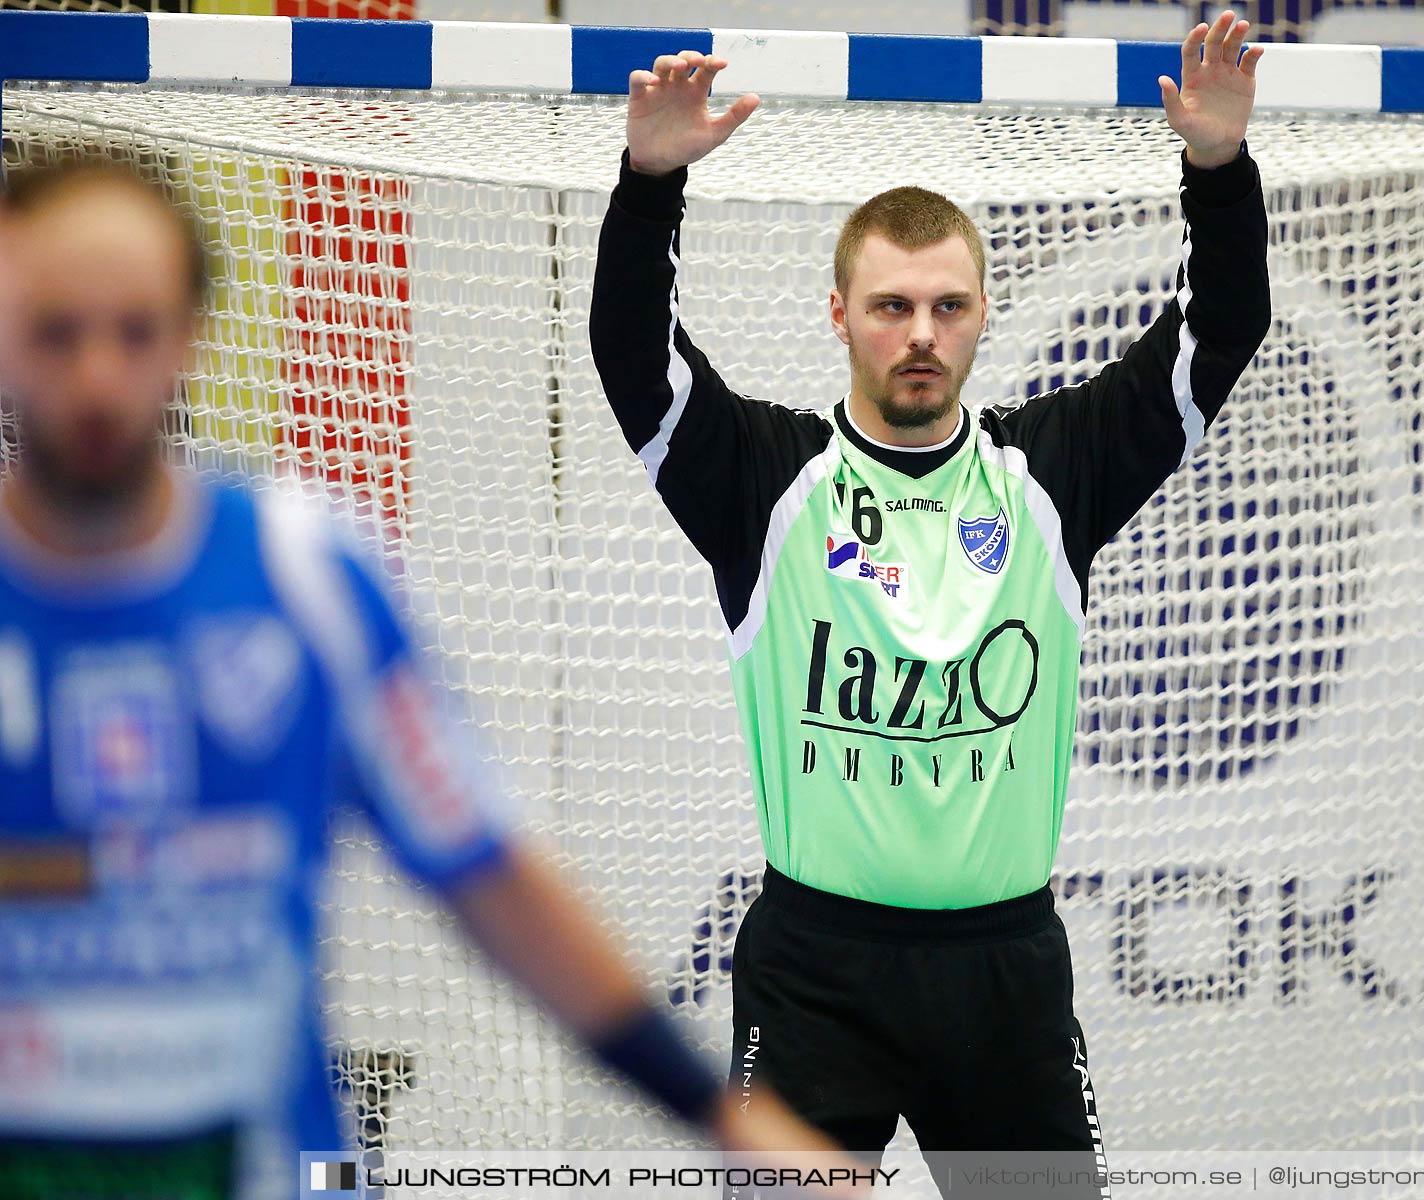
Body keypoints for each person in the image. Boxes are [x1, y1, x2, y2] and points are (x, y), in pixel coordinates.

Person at [0, 159, 847, 1199]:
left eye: (132, 332)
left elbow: (489, 877)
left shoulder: (304, 582)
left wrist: (718, 1114)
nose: (95, 377)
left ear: (189, 336)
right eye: (54, 330)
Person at [590, 12, 1273, 1193]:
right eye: (893, 306)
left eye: (947, 307)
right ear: (841, 314)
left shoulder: (1053, 469)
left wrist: (1216, 168)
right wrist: (649, 184)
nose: (921, 335)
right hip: (816, 975)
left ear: (981, 317)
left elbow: (1222, 333)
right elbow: (631, 356)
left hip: (1003, 972)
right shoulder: (768, 480)